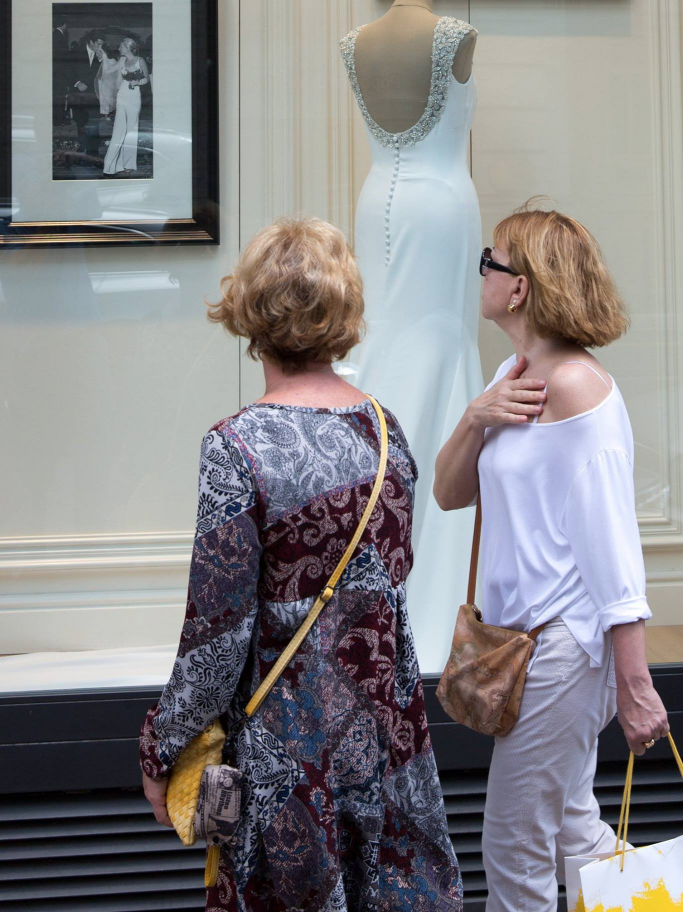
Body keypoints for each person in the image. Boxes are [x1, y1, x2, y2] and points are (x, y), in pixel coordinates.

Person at [139, 217, 463, 911]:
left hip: (288, 751)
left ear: (250, 310)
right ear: (341, 310)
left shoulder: (236, 447)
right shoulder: (384, 432)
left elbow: (216, 633)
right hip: (384, 738)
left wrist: (163, 749)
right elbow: (392, 580)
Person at [434, 204, 669, 912]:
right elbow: (448, 494)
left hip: (563, 647)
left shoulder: (575, 389)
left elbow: (610, 547)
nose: (480, 271)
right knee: (573, 830)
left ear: (520, 288)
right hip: (524, 646)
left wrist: (634, 684)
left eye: (490, 260)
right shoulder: (514, 374)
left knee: (513, 847)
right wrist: (477, 416)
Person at [103, 37, 149, 176]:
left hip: (134, 97)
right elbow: (110, 70)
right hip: (122, 96)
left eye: (121, 47)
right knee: (118, 130)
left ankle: (128, 164)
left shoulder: (140, 61)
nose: (119, 49)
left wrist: (137, 82)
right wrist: (103, 56)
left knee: (131, 131)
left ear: (128, 47)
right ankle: (109, 166)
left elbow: (146, 78)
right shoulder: (122, 60)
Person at [67, 29, 105, 157]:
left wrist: (102, 60)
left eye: (101, 44)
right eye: (98, 44)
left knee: (94, 122)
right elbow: (66, 72)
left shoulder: (102, 54)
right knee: (81, 121)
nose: (100, 47)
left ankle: (93, 151)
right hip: (78, 94)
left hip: (94, 95)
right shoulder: (75, 53)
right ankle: (83, 146)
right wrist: (77, 83)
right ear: (90, 42)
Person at [94, 41, 121, 117]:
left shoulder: (112, 61)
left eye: (101, 53)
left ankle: (109, 114)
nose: (99, 55)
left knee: (108, 98)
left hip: (108, 83)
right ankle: (105, 114)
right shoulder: (102, 61)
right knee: (103, 98)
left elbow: (113, 72)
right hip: (102, 82)